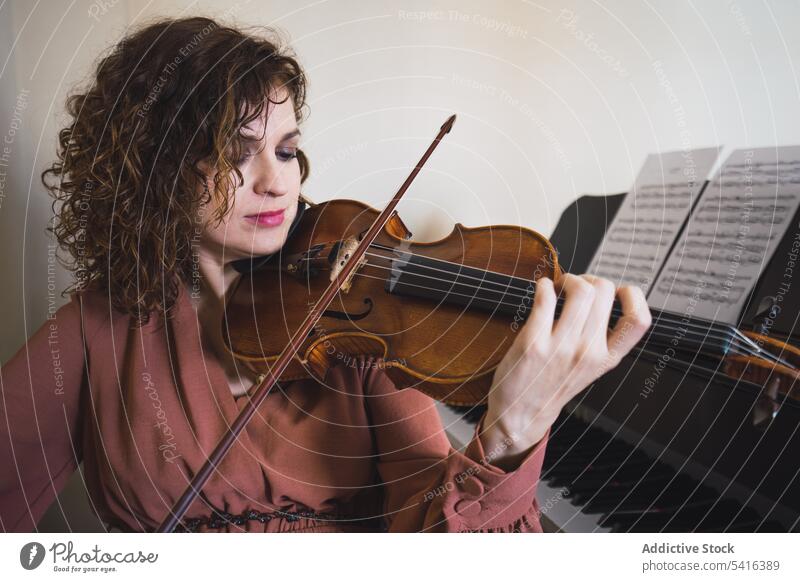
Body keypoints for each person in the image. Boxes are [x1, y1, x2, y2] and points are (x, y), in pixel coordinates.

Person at [0, 16, 651, 533]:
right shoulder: (92, 333)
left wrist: (511, 433)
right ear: (154, 173)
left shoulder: (353, 317)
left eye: (286, 149)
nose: (277, 179)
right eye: (236, 154)